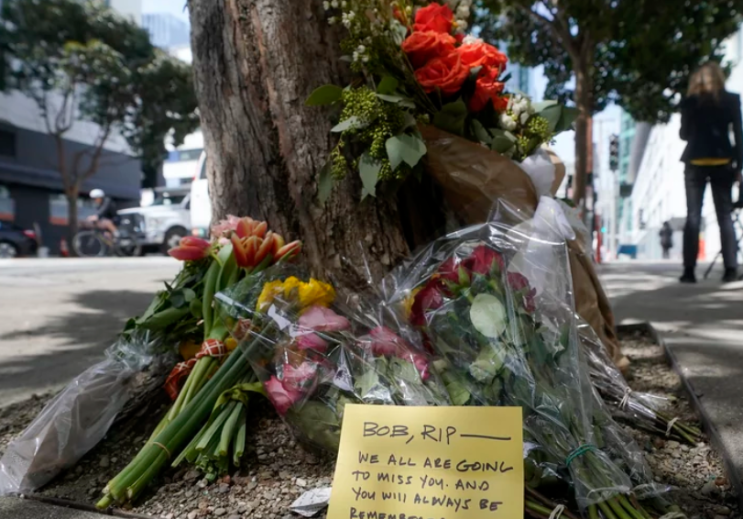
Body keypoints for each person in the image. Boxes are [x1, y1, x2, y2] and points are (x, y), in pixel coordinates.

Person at [679, 62, 742, 283]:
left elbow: (684, 134)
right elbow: (739, 135)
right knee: (724, 215)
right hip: (723, 160)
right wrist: (739, 167)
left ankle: (688, 271)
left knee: (693, 216)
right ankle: (730, 269)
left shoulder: (689, 102)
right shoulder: (732, 99)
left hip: (695, 161)